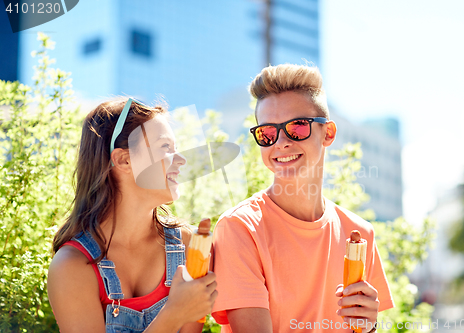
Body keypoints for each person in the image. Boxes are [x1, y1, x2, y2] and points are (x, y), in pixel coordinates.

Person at [211, 64, 394, 333]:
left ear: (328, 133)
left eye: (297, 127)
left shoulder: (361, 234)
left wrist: (368, 328)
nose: (281, 142)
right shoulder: (239, 229)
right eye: (267, 133)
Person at [48, 98, 218, 333]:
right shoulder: (72, 266)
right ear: (124, 160)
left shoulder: (188, 245)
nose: (180, 160)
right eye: (165, 148)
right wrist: (174, 314)